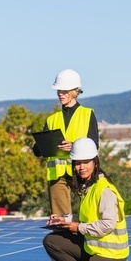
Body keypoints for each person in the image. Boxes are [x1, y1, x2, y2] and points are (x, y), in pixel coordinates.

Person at [42, 138, 130, 261]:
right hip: (93, 248)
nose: (81, 167)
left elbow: (107, 225)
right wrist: (64, 219)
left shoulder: (104, 190)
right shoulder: (88, 187)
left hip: (111, 254)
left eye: (86, 162)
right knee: (51, 241)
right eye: (77, 163)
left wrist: (78, 227)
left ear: (95, 162)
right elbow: (88, 216)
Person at [32, 69, 99, 217]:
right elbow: (38, 151)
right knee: (61, 220)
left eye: (64, 91)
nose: (60, 94)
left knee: (90, 213)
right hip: (57, 175)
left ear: (75, 91)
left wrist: (74, 146)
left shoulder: (87, 114)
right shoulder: (51, 119)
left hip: (82, 171)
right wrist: (42, 146)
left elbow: (94, 145)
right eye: (59, 91)